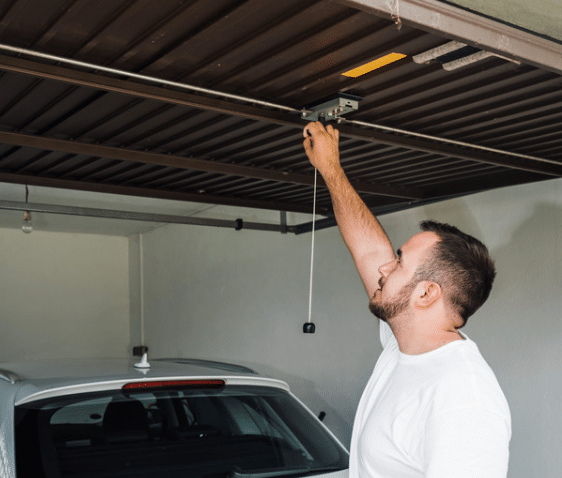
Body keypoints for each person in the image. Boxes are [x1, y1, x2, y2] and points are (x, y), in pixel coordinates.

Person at [303, 122, 511, 478]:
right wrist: (331, 169)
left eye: (399, 261)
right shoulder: (402, 346)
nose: (385, 267)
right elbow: (369, 250)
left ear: (427, 293)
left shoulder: (462, 398)